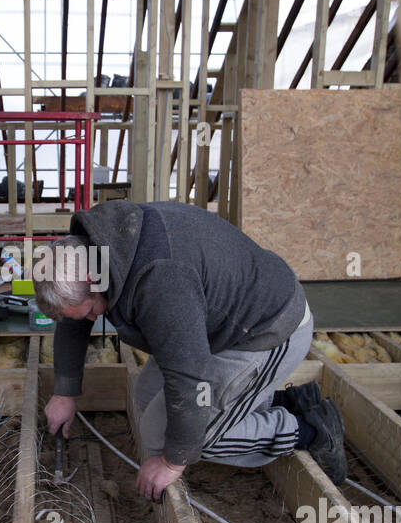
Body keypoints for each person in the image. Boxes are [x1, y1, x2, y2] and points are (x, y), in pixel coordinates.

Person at [33, 199, 347, 501]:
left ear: (92, 279)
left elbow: (191, 379)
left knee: (185, 437)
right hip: (211, 326)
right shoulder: (97, 246)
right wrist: (65, 391)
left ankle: (310, 430)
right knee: (146, 396)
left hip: (266, 331)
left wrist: (173, 462)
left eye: (91, 311)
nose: (91, 319)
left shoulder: (162, 283)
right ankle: (290, 402)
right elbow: (74, 317)